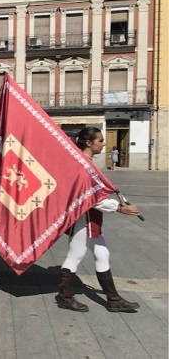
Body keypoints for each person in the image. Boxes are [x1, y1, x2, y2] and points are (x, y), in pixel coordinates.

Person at [56, 127, 141, 313]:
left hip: (90, 217)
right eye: (101, 141)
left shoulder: (85, 162)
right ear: (89, 143)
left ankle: (113, 299)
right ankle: (64, 297)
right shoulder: (82, 165)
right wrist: (119, 208)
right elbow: (90, 198)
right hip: (83, 217)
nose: (104, 144)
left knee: (102, 254)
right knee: (75, 255)